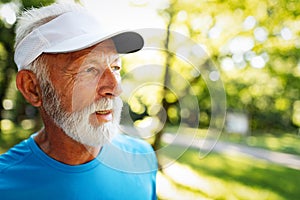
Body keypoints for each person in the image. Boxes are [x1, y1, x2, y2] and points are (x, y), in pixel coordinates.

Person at [0, 3, 157, 200]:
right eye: (88, 69)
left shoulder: (142, 159)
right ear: (32, 88)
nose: (116, 88)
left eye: (115, 67)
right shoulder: (5, 185)